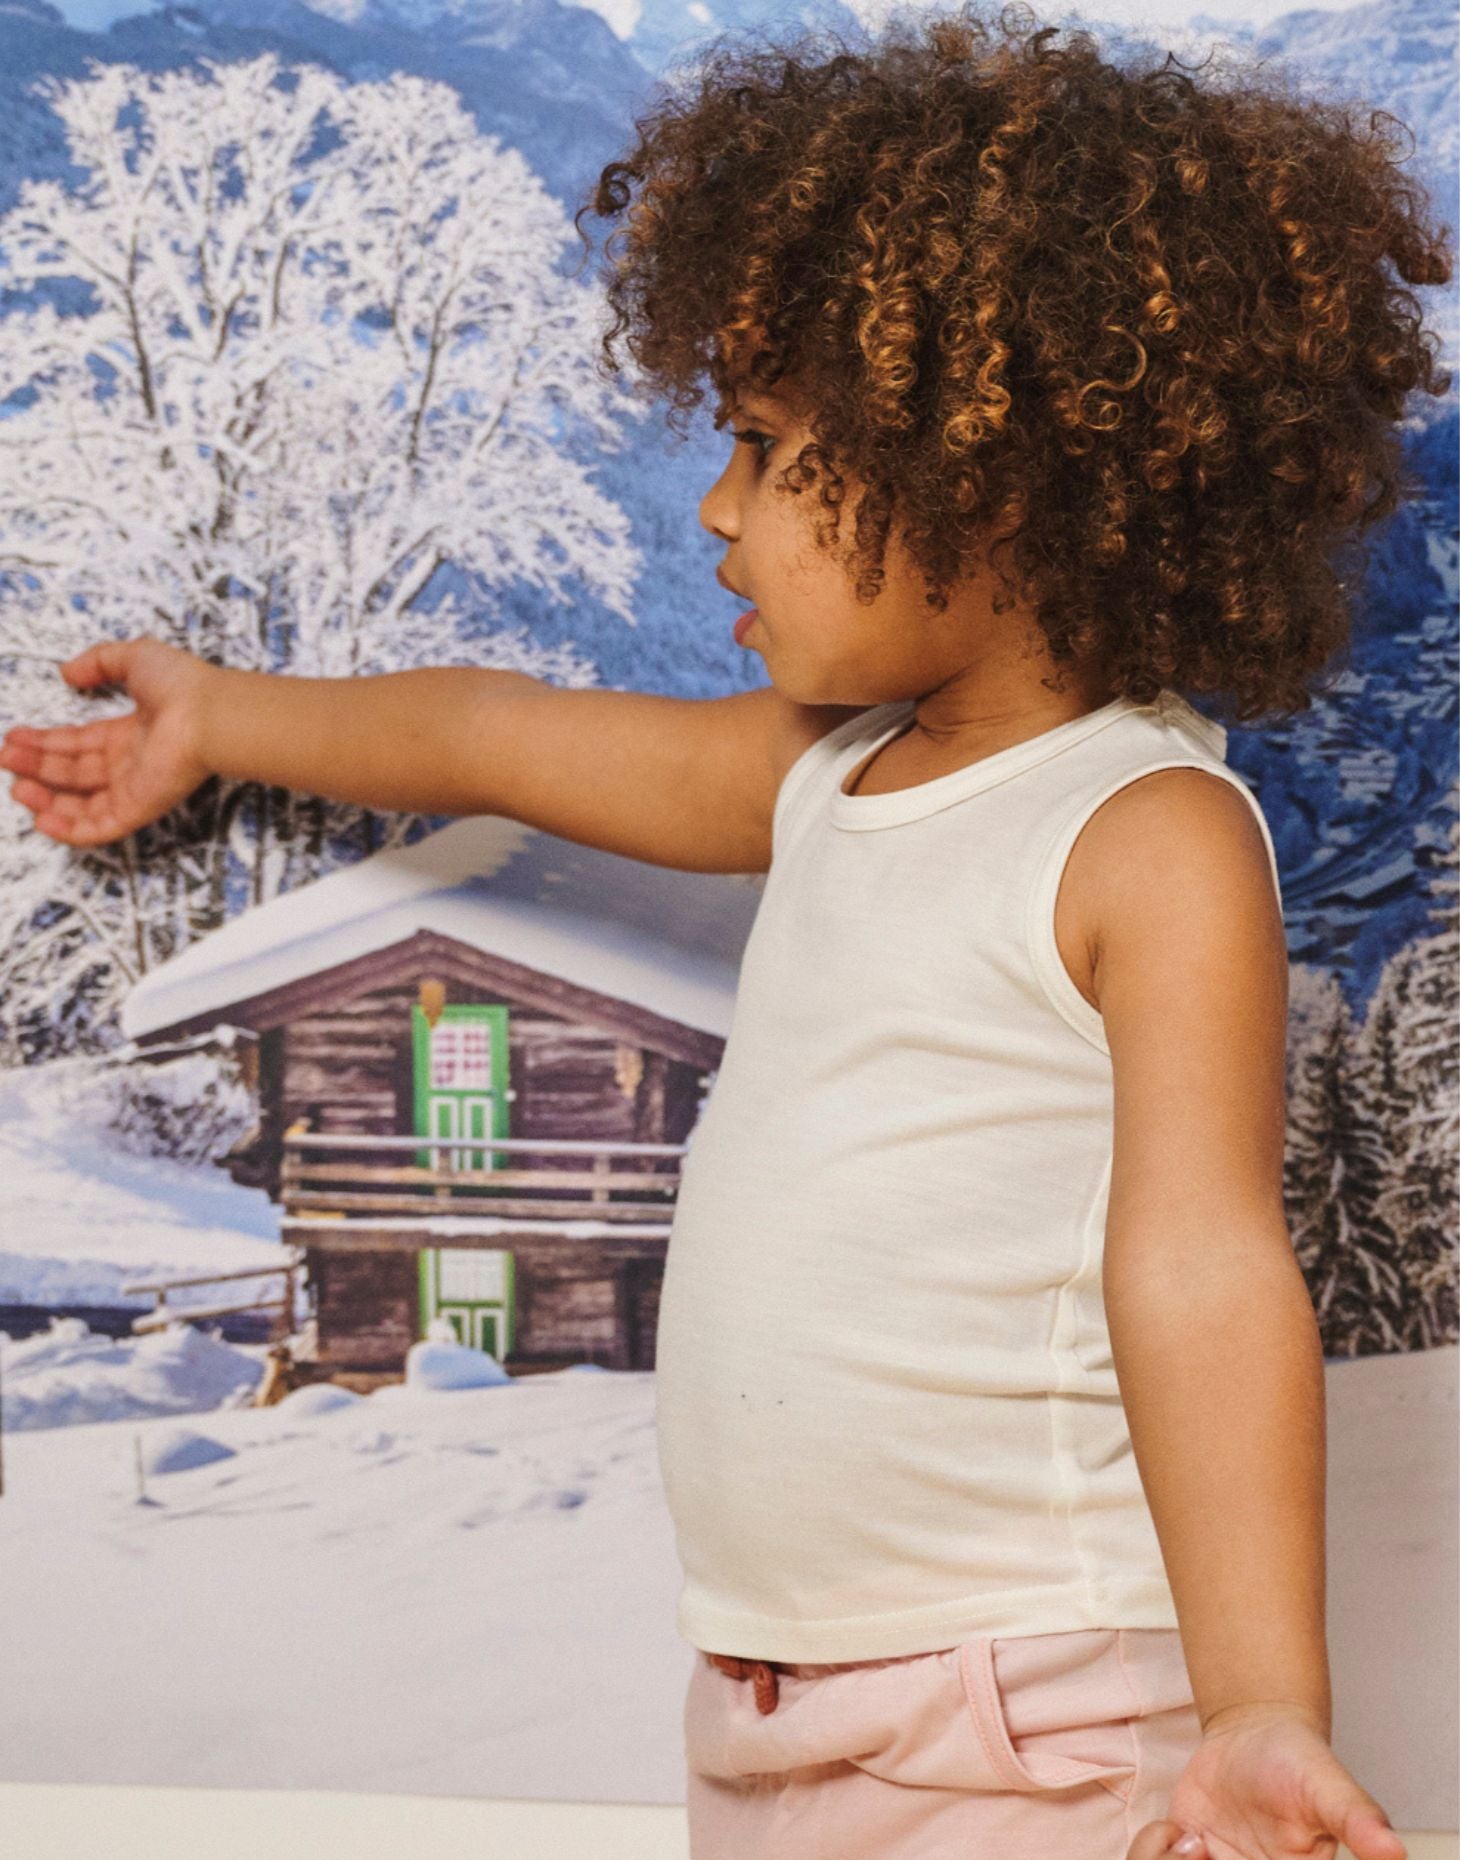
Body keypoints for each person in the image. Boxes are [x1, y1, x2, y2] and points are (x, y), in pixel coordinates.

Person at [2, 4, 1450, 1854]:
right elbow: (489, 738)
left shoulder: (1142, 834)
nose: (717, 509)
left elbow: (1208, 1275)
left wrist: (1258, 1706)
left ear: (986, 472)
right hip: (770, 1716)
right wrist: (223, 718)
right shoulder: (814, 775)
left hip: (1033, 1725)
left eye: (765, 449)